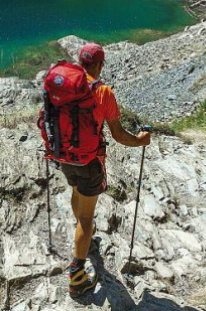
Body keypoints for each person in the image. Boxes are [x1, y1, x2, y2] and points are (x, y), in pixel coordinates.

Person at [61, 42, 151, 298]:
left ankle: (81, 234)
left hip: (65, 157)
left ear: (80, 63)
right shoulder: (103, 93)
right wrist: (141, 140)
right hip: (89, 160)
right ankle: (77, 277)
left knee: (76, 191)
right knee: (88, 219)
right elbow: (119, 135)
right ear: (100, 64)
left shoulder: (65, 86)